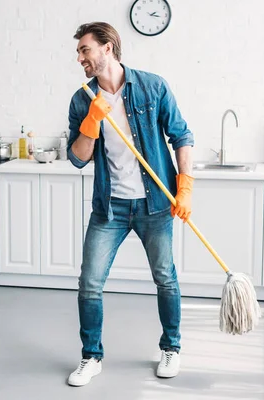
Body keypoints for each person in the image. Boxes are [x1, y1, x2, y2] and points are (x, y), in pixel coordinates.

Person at [65, 22, 195, 385]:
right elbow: (77, 158)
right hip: (111, 208)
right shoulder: (82, 99)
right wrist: (91, 124)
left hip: (156, 203)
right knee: (89, 282)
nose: (80, 59)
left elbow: (181, 135)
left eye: (85, 50)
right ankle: (91, 357)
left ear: (107, 48)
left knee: (165, 278)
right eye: (78, 52)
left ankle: (171, 347)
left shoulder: (152, 86)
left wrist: (185, 185)